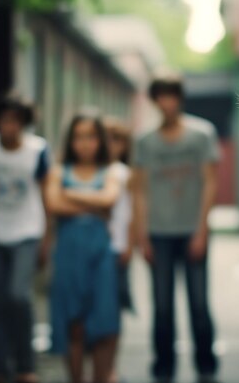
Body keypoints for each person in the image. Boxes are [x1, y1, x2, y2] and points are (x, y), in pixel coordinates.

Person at [133, 75, 220, 382]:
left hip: (191, 230)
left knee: (198, 303)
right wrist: (141, 235)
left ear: (179, 98)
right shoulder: (145, 141)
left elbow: (210, 181)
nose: (167, 102)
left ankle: (206, 365)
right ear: (155, 101)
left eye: (172, 95)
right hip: (159, 233)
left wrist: (202, 230)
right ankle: (163, 366)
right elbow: (140, 190)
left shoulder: (201, 134)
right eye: (161, 96)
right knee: (162, 305)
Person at [0, 95, 52, 383]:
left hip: (28, 230)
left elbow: (46, 195)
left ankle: (26, 364)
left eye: (16, 121)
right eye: (5, 120)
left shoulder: (37, 150)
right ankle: (0, 364)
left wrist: (47, 240)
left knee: (19, 295)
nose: (10, 127)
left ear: (24, 124)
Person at [48, 113, 121, 383]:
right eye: (79, 136)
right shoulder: (59, 171)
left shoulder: (110, 171)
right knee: (73, 324)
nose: (85, 143)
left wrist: (70, 194)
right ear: (70, 140)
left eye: (91, 136)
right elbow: (54, 205)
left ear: (99, 140)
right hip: (68, 256)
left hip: (100, 255)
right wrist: (95, 204)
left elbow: (110, 199)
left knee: (103, 323)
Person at [103, 118, 135, 383]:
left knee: (113, 308)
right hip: (97, 248)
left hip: (118, 247)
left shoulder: (126, 173)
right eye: (108, 139)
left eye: (118, 140)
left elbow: (132, 214)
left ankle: (109, 365)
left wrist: (130, 245)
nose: (112, 146)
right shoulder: (97, 172)